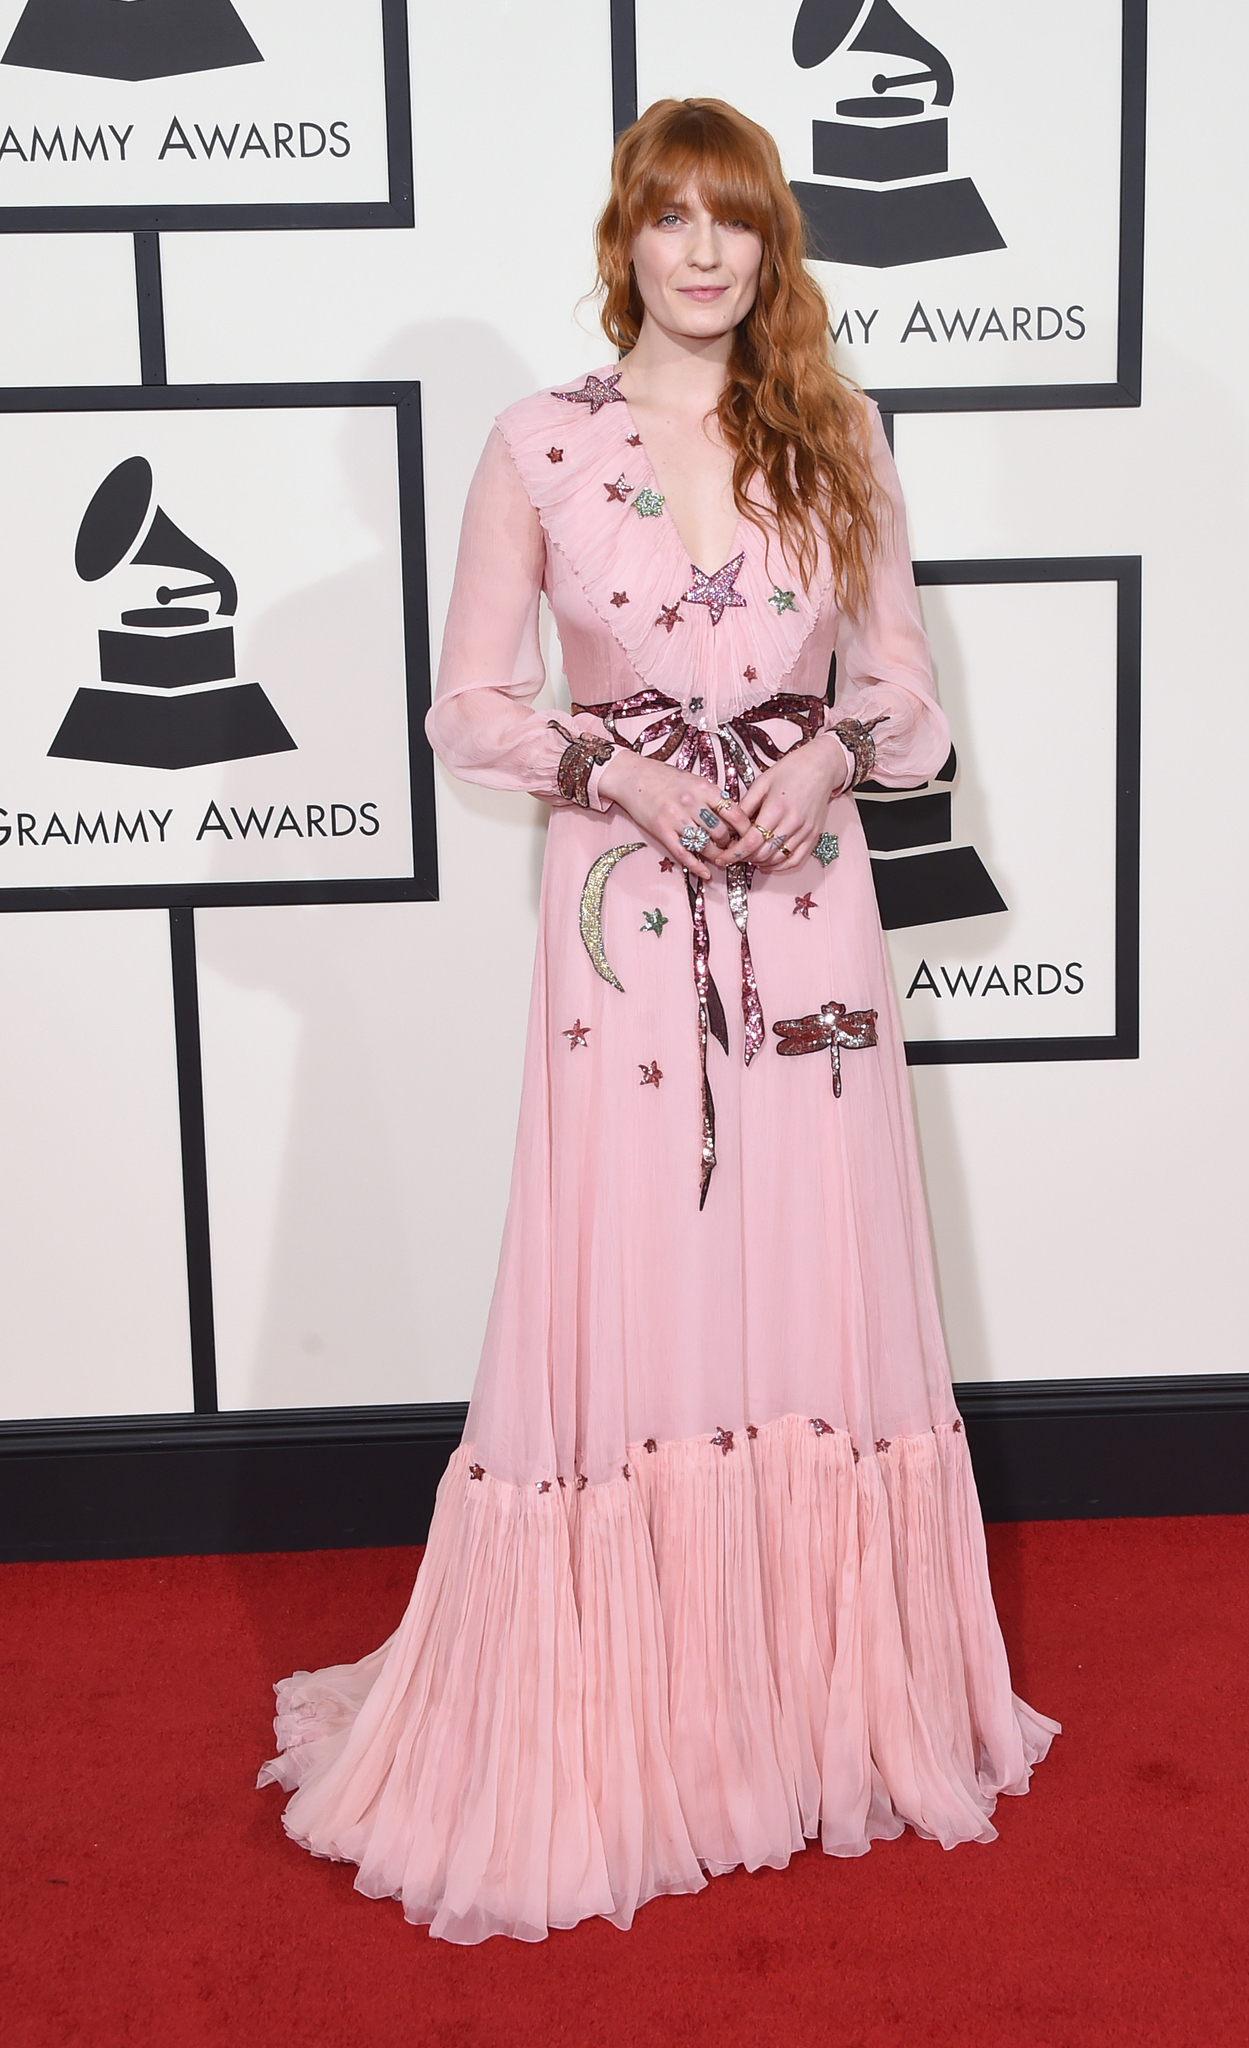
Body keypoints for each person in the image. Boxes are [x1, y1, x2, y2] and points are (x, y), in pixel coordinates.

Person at [258, 96, 1057, 1946]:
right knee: (632, 1282)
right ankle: (628, 1738)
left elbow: (909, 705)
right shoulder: (537, 444)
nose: (701, 252)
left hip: (809, 918)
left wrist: (836, 761)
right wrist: (613, 771)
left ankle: (808, 1724)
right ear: (622, 239)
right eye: (668, 219)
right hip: (624, 937)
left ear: (775, 249)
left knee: (810, 1276)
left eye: (736, 223)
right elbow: (468, 705)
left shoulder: (836, 434)